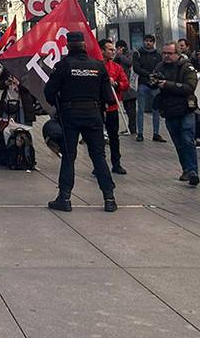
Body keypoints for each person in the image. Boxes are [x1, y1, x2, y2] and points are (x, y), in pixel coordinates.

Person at [44, 31, 118, 213]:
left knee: (69, 157)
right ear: (84, 46)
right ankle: (109, 198)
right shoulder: (98, 66)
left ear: (68, 46)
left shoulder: (63, 66)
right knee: (98, 156)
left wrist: (59, 105)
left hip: (70, 114)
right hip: (93, 114)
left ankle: (65, 197)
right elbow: (109, 97)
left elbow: (49, 92)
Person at [153, 42, 200, 186]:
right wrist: (153, 82)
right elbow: (154, 80)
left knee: (187, 139)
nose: (166, 56)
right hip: (169, 109)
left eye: (170, 53)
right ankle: (186, 169)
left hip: (185, 108)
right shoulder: (160, 66)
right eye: (164, 53)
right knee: (178, 143)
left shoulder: (186, 67)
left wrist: (167, 84)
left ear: (177, 54)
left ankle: (193, 171)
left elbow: (190, 87)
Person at [99, 38, 129, 175]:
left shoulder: (116, 67)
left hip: (112, 107)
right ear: (102, 50)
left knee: (114, 137)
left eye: (113, 49)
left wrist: (116, 84)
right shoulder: (95, 65)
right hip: (97, 107)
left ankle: (116, 163)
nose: (113, 52)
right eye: (110, 49)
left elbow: (125, 84)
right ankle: (99, 164)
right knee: (97, 137)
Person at [132, 35, 164, 142]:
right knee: (140, 109)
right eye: (146, 41)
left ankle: (156, 133)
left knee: (156, 109)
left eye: (150, 41)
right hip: (143, 83)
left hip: (155, 84)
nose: (148, 43)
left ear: (153, 42)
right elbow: (136, 68)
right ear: (143, 41)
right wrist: (148, 74)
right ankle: (140, 133)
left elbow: (160, 67)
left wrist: (154, 75)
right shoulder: (138, 54)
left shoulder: (158, 55)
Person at [113, 40, 137, 136]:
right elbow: (114, 63)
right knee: (127, 109)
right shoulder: (118, 57)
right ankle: (130, 127)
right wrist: (117, 56)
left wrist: (121, 55)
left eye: (119, 48)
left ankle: (133, 128)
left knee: (131, 110)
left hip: (130, 86)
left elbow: (129, 63)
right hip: (123, 86)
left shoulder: (130, 53)